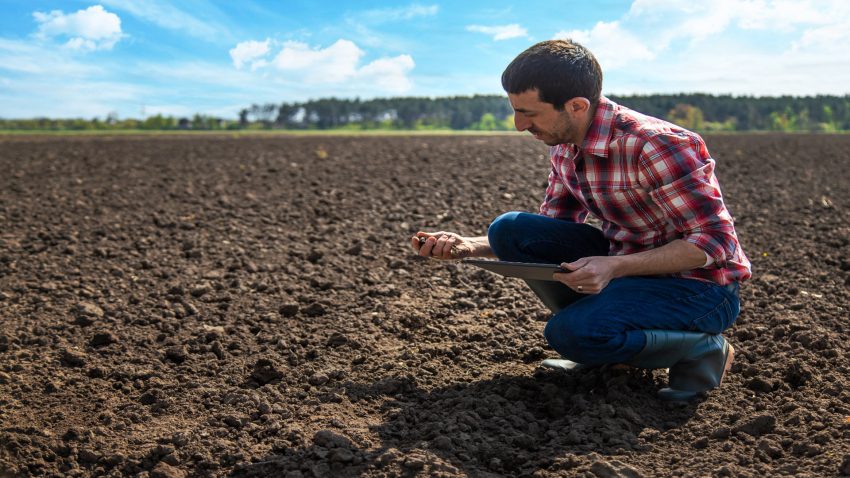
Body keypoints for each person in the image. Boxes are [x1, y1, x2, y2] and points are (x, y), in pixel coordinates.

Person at [410, 39, 751, 401]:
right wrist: (468, 246)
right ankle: (606, 339)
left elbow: (715, 241)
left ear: (576, 106)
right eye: (515, 111)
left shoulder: (656, 145)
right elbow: (551, 230)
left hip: (699, 288)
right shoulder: (564, 145)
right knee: (509, 230)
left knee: (569, 333)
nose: (519, 125)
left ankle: (700, 349)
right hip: (627, 267)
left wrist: (614, 266)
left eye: (529, 113)